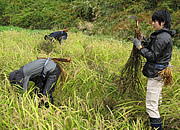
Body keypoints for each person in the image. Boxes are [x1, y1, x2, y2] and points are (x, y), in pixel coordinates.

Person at [132, 10, 176, 130]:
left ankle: (157, 127)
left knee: (151, 105)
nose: (152, 23)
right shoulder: (160, 35)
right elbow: (153, 47)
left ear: (163, 22)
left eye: (155, 21)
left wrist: (140, 47)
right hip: (158, 72)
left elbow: (153, 56)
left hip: (156, 73)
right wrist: (142, 40)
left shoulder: (162, 37)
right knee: (157, 101)